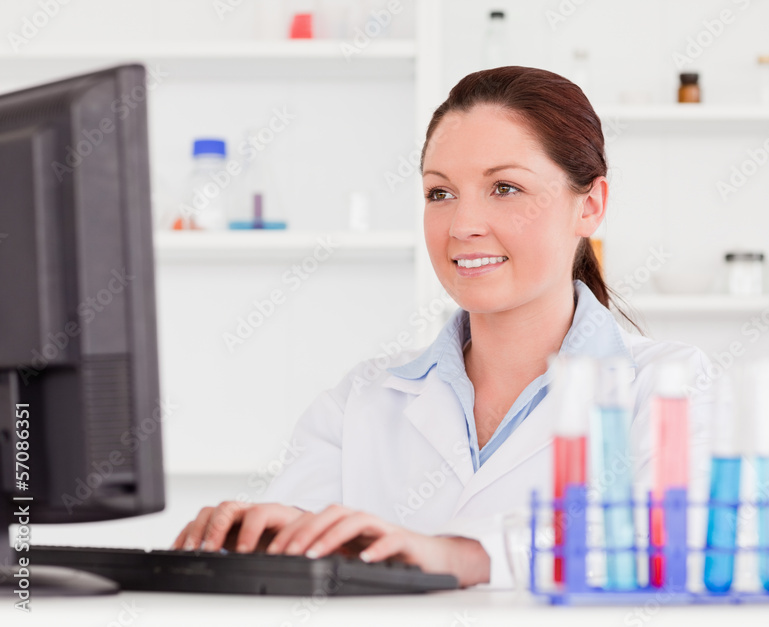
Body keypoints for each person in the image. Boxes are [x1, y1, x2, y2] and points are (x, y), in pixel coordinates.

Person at [172, 66, 713, 588]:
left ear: (589, 206)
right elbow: (302, 543)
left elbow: (666, 542)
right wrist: (256, 538)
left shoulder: (669, 383)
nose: (462, 226)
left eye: (504, 188)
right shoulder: (360, 401)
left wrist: (461, 554)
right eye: (440, 193)